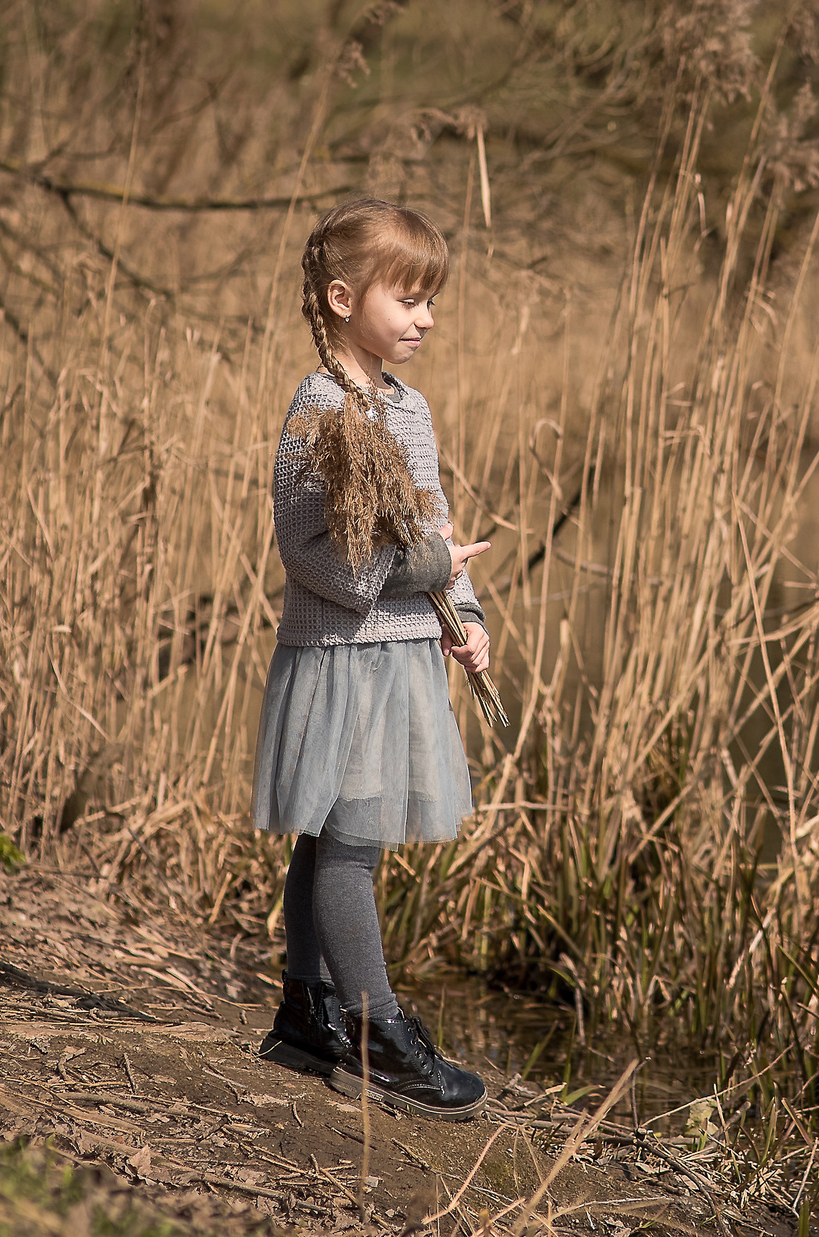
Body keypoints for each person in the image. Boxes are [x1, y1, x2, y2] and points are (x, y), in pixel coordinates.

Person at [249, 198, 493, 1119]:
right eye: (409, 298)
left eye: (433, 301)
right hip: (343, 659)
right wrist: (427, 569)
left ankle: (306, 1008)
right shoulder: (318, 409)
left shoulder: (409, 408)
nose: (427, 318)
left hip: (401, 657)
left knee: (332, 836)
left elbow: (436, 529)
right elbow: (310, 551)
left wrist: (464, 614)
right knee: (348, 842)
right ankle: (374, 1031)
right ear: (344, 298)